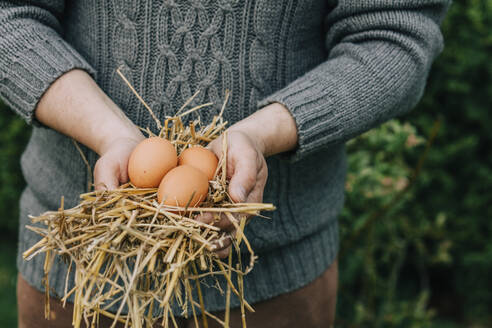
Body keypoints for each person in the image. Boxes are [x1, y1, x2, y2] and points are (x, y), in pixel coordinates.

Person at [0, 1, 450, 327]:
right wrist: (111, 135)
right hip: (77, 273)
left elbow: (392, 34)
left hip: (272, 288)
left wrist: (261, 134)